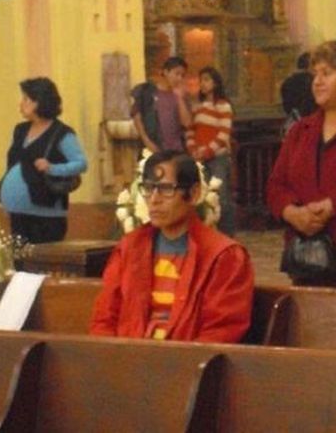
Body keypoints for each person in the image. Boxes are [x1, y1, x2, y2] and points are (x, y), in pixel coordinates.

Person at [90, 150, 254, 342]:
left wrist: (174, 360)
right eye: (148, 188)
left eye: (166, 189)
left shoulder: (223, 255)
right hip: (130, 355)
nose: (154, 199)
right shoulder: (130, 248)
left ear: (194, 194)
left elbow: (221, 330)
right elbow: (104, 318)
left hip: (187, 357)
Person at [267, 40, 336, 287]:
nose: (317, 82)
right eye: (315, 74)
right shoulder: (301, 130)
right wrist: (292, 212)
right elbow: (276, 184)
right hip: (307, 261)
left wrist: (333, 205)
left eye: (326, 73)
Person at [0, 77, 87, 245]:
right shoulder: (20, 130)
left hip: (46, 215)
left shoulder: (61, 133)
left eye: (26, 99)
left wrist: (52, 168)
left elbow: (81, 163)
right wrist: (6, 197)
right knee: (20, 259)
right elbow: (13, 164)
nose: (21, 104)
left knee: (43, 258)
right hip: (18, 213)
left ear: (40, 102)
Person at [186, 66, 235, 236]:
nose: (203, 83)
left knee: (221, 196)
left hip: (217, 158)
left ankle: (226, 235)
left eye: (206, 80)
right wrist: (193, 149)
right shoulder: (197, 107)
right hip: (199, 159)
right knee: (203, 198)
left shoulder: (222, 105)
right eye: (201, 80)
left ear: (215, 83)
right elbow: (190, 130)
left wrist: (207, 151)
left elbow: (223, 133)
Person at [130, 56, 192, 153]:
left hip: (177, 149)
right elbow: (137, 117)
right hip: (154, 146)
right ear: (166, 72)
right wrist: (147, 141)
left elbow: (187, 123)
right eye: (177, 74)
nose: (179, 78)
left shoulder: (181, 96)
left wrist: (179, 98)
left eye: (182, 75)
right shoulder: (148, 92)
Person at [280, 51, 317, 136]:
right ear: (310, 65)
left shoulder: (287, 82)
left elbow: (286, 106)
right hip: (312, 124)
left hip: (294, 123)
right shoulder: (314, 81)